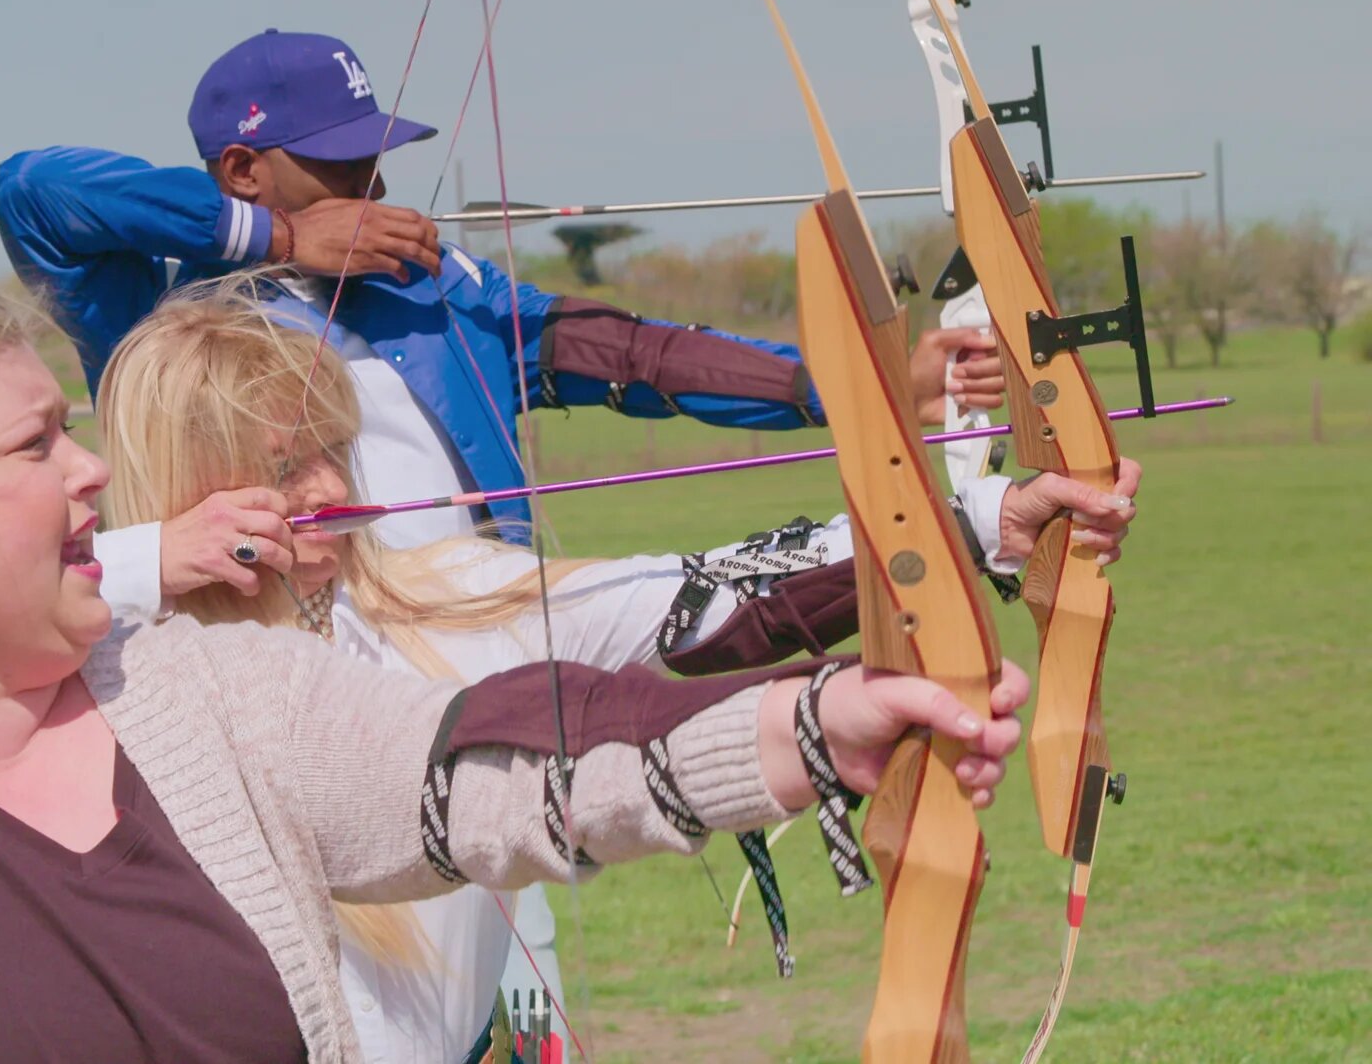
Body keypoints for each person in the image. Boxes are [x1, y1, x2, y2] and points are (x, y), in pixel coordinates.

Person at [0, 22, 1035, 1062]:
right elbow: (40, 191)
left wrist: (838, 676)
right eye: (34, 442)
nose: (89, 467)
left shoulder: (202, 699)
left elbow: (512, 742)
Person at [93, 274, 1141, 1064]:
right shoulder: (106, 674)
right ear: (189, 486)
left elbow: (711, 594)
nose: (326, 484)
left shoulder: (440, 591)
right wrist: (145, 560)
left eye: (332, 447)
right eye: (283, 468)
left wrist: (978, 522)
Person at [0, 28, 1008, 624]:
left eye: (373, 156)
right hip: (263, 691)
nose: (373, 184)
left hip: (477, 659)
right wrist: (282, 236)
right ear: (242, 172)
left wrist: (875, 388)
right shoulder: (157, 312)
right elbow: (32, 190)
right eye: (336, 165)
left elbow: (637, 356)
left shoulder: (435, 288)